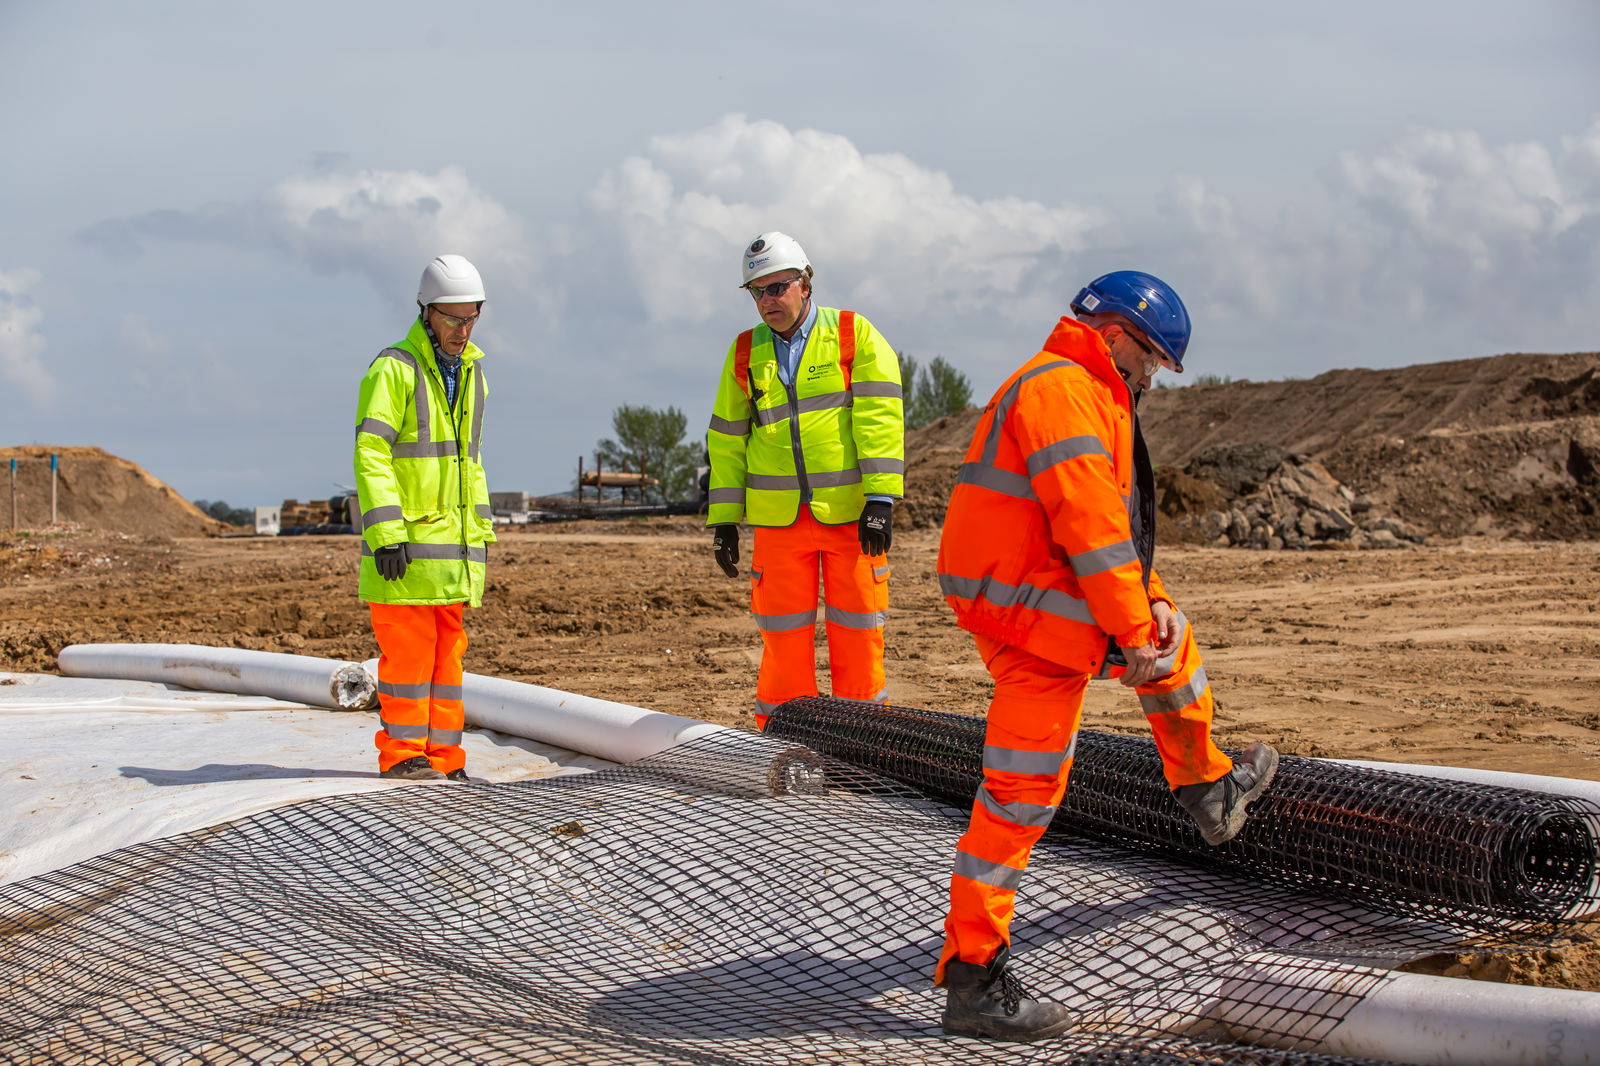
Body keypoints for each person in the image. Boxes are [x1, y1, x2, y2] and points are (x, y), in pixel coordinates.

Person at [932, 270, 1279, 1041]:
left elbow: (1116, 528)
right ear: (1116, 336)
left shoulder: (1089, 391)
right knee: (1020, 796)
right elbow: (1088, 523)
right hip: (1033, 608)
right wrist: (1129, 630)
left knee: (1170, 639)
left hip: (1029, 598)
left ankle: (1207, 788)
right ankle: (975, 979)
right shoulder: (1063, 389)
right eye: (1151, 358)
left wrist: (1145, 598)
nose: (1153, 376)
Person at [705, 232, 905, 729]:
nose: (768, 300)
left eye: (778, 287)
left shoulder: (853, 335)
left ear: (805, 283)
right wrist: (725, 520)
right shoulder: (744, 352)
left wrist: (880, 499)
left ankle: (864, 742)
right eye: (757, 291)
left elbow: (879, 418)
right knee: (783, 640)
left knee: (858, 635)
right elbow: (727, 441)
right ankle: (784, 739)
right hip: (779, 525)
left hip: (850, 518)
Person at [353, 254, 496, 782]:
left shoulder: (474, 374)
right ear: (426, 313)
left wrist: (478, 538)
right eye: (453, 318)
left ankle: (444, 759)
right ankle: (403, 755)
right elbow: (372, 452)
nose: (463, 330)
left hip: (451, 557)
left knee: (446, 665)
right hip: (405, 553)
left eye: (471, 318)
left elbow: (467, 465)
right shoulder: (395, 368)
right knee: (408, 662)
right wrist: (387, 533)